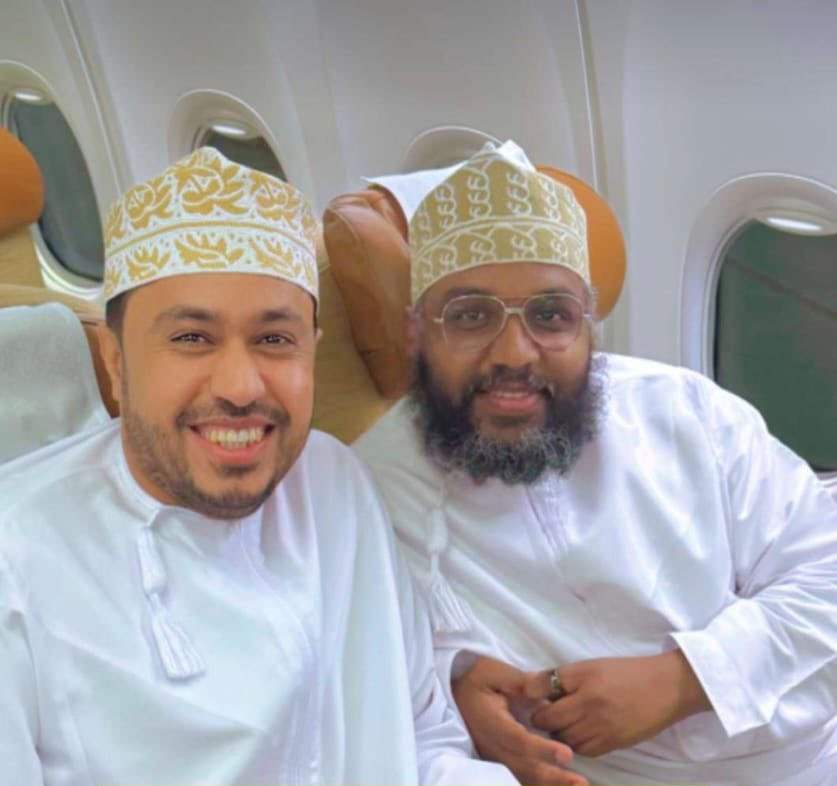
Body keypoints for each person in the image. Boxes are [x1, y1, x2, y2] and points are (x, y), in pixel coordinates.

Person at [0, 147, 517, 785]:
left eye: (275, 339)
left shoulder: (331, 479)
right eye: (191, 338)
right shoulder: (17, 562)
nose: (241, 387)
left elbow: (420, 736)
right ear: (114, 361)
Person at [355, 143, 837, 785]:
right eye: (470, 316)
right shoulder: (371, 486)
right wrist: (456, 686)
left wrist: (685, 680)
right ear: (416, 332)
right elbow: (375, 674)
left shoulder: (686, 413)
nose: (514, 353)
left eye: (550, 315)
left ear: (589, 326)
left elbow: (825, 573)